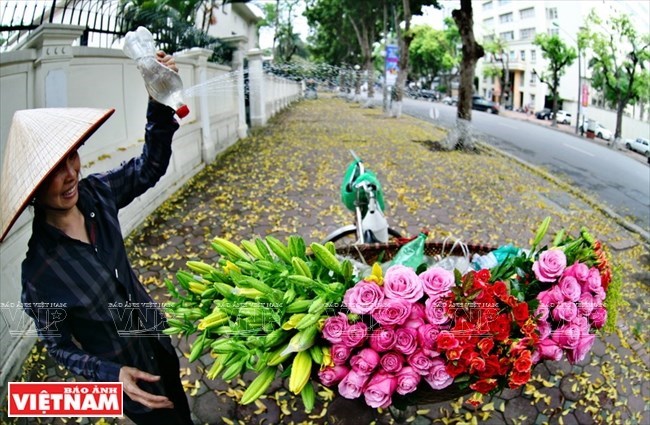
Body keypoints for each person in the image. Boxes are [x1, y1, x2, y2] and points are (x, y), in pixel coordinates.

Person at [0, 52, 192, 424]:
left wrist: (158, 101)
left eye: (72, 157)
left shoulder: (97, 194)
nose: (71, 174)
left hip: (157, 344)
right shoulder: (40, 275)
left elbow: (148, 167)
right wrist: (109, 376)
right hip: (130, 386)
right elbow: (59, 347)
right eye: (55, 171)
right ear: (33, 190)